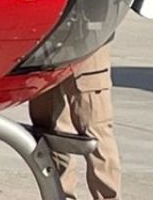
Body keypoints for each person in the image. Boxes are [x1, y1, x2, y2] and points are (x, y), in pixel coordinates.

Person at [29, 45, 121, 199]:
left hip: (87, 42)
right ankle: (59, 194)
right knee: (48, 132)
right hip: (45, 47)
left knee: (96, 131)